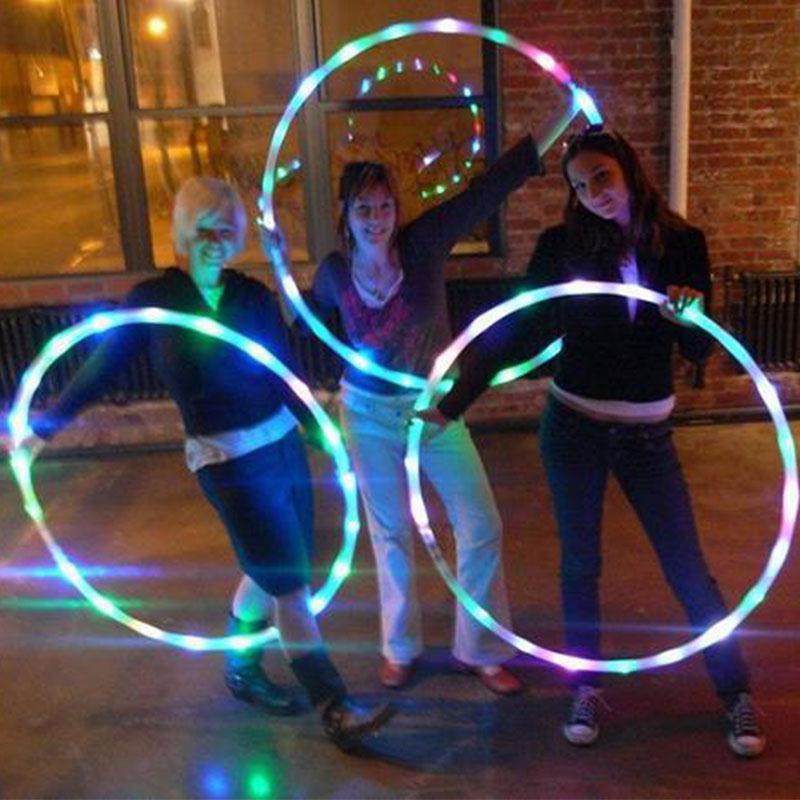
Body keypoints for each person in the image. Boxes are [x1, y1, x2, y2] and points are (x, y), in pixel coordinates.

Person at [13, 177, 394, 751]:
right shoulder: (157, 301)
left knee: (273, 570)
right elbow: (102, 368)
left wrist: (327, 439)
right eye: (204, 230)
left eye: (225, 230)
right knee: (289, 584)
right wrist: (43, 428)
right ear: (185, 234)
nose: (215, 241)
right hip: (224, 459)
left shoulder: (251, 297)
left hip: (281, 444)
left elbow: (283, 374)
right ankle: (333, 704)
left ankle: (241, 669)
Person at [422, 126, 766, 757]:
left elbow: (696, 351)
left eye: (600, 176)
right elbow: (522, 332)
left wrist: (689, 315)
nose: (593, 193)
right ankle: (585, 684)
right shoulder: (563, 246)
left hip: (647, 434)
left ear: (627, 168)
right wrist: (450, 404)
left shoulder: (683, 243)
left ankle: (735, 691)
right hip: (574, 426)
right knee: (580, 564)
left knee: (688, 568)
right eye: (579, 185)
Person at [294, 124, 554, 695]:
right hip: (364, 414)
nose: (377, 217)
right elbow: (304, 324)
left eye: (385, 205)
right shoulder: (335, 273)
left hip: (433, 411)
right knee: (390, 534)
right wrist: (292, 391)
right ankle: (400, 648)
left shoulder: (423, 243)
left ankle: (481, 649)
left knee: (480, 522)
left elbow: (481, 196)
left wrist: (554, 130)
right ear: (345, 212)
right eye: (364, 206)